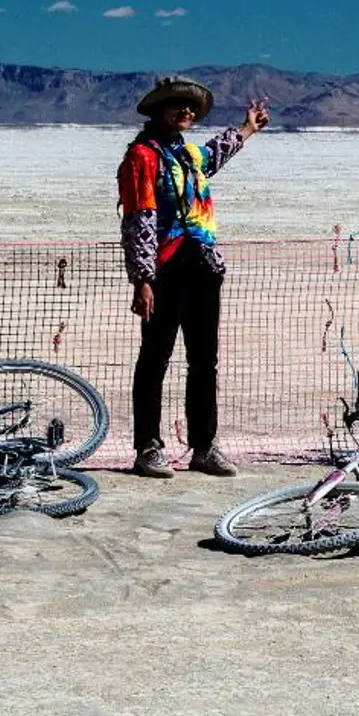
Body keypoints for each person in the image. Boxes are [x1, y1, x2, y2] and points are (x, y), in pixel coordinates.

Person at [117, 76, 269, 478]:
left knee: (204, 361)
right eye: (177, 105)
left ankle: (204, 447)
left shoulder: (186, 155)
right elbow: (138, 220)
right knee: (155, 359)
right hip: (165, 270)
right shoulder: (141, 157)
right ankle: (148, 448)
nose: (185, 111)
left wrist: (248, 128)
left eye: (190, 107)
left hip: (202, 267)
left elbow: (214, 153)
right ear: (158, 111)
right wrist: (143, 279)